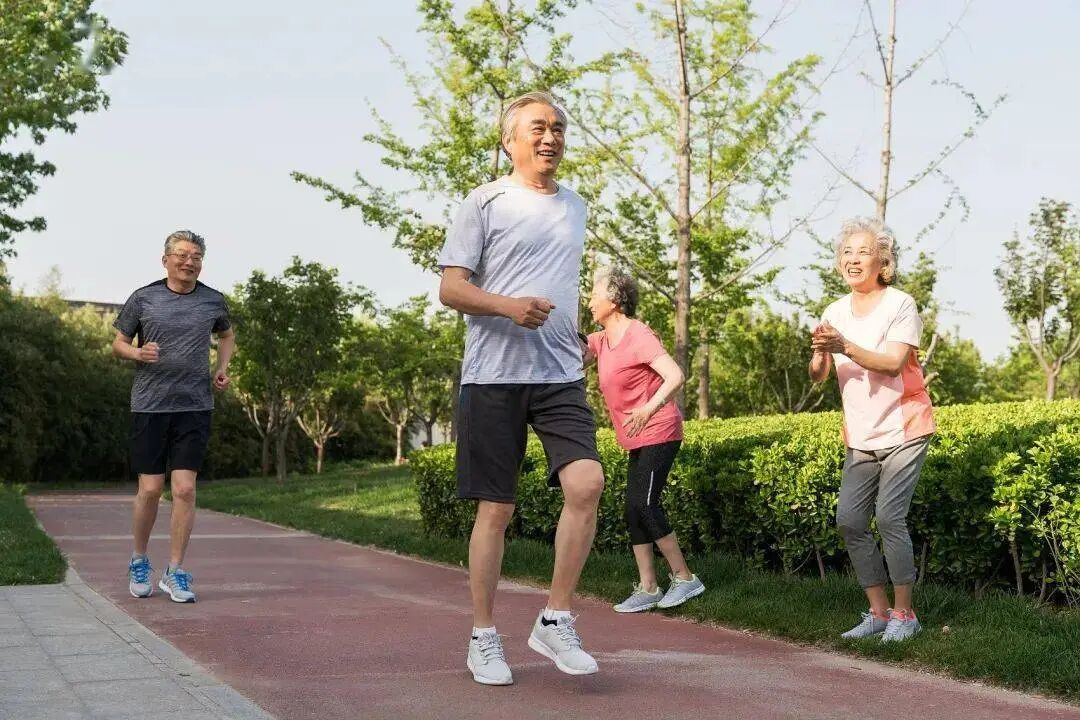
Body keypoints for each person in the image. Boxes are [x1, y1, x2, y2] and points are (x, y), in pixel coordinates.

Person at [438, 91, 605, 686]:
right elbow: (451, 288)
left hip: (559, 374)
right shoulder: (484, 201)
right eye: (538, 127)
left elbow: (556, 278)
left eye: (558, 127)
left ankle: (555, 619)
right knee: (497, 509)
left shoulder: (576, 206)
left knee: (587, 483)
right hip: (493, 376)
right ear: (509, 141)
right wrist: (509, 307)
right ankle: (483, 637)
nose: (550, 137)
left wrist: (572, 330)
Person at [809, 216, 935, 643]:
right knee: (850, 520)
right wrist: (820, 355)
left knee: (889, 516)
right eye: (847, 252)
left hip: (905, 426)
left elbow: (894, 363)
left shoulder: (900, 304)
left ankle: (905, 615)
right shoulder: (834, 311)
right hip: (861, 436)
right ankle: (879, 613)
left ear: (883, 263)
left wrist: (844, 345)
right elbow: (818, 375)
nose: (853, 259)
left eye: (863, 252)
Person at [112, 230, 235, 603]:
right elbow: (118, 343)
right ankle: (139, 560)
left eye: (195, 256)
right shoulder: (143, 298)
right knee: (150, 489)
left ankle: (175, 571)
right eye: (181, 254)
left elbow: (227, 336)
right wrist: (137, 354)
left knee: (184, 489)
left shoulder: (213, 300)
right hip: (150, 406)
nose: (188, 261)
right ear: (165, 259)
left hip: (194, 406)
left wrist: (222, 367)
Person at [583, 266, 705, 613]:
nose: (589, 301)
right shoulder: (601, 340)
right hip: (637, 437)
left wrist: (648, 409)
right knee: (632, 508)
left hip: (659, 429)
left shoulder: (638, 335)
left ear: (614, 299)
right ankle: (648, 587)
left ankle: (685, 578)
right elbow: (573, 353)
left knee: (646, 504)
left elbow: (675, 375)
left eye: (594, 295)